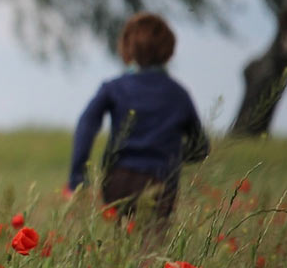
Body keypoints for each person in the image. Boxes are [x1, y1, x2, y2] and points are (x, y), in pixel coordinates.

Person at [66, 12, 209, 224]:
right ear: (168, 51)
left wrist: (77, 178)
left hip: (118, 180)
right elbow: (200, 147)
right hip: (161, 182)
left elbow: (86, 126)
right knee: (152, 248)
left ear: (126, 48)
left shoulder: (114, 88)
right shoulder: (179, 94)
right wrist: (171, 157)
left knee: (121, 243)